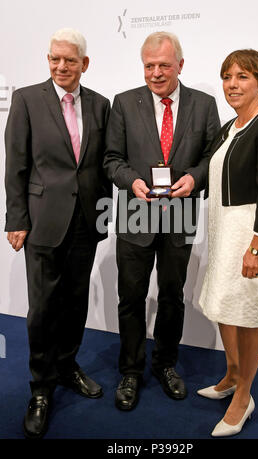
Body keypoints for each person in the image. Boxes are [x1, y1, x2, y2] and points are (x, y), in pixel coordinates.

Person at [104, 31, 220, 411]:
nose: (156, 73)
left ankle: (166, 364)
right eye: (149, 65)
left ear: (180, 66)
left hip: (181, 211)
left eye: (164, 66)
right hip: (136, 211)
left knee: (172, 297)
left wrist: (194, 178)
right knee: (131, 298)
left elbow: (210, 157)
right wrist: (131, 181)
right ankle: (131, 372)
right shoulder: (123, 103)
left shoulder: (204, 105)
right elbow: (112, 159)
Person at [5, 28, 112, 439]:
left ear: (84, 63)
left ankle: (68, 366)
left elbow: (103, 165)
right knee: (43, 309)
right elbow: (15, 163)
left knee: (75, 302)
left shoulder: (101, 105)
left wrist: (102, 213)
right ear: (48, 60)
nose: (61, 67)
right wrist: (16, 218)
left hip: (87, 221)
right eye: (54, 59)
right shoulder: (27, 99)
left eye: (69, 60)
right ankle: (40, 388)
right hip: (42, 221)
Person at [197, 49, 258, 437]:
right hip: (223, 227)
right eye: (227, 76)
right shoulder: (230, 126)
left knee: (246, 313)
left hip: (250, 232)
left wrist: (257, 246)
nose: (232, 84)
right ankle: (233, 375)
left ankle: (244, 398)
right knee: (224, 304)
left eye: (242, 77)